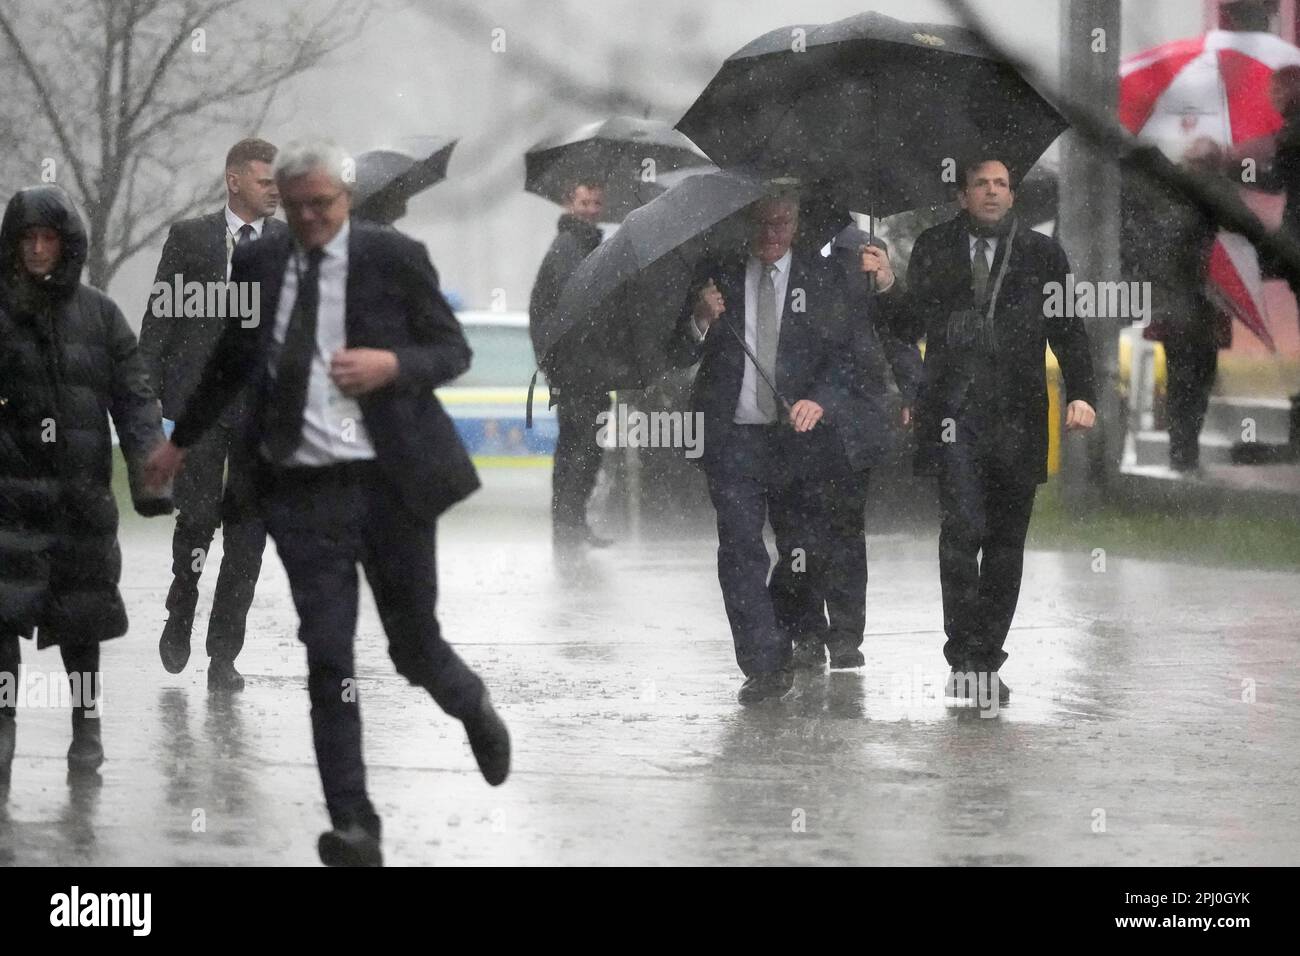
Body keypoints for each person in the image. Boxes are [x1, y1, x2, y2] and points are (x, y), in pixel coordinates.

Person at [143, 141, 509, 866]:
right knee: (328, 660)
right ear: (280, 198)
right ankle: (354, 825)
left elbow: (452, 351)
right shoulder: (258, 264)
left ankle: (472, 706)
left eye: (325, 206)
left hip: (390, 484)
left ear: (346, 202)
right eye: (299, 205)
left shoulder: (392, 258)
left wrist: (393, 364)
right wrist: (178, 440)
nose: (310, 219)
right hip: (304, 489)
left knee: (413, 649)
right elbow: (233, 360)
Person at [902, 158, 1097, 705]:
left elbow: (1068, 328)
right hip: (953, 417)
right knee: (962, 534)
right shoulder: (933, 247)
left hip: (1017, 416)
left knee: (1006, 543)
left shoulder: (1042, 255)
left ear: (1013, 195)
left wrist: (1082, 392)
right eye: (981, 184)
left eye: (1001, 185)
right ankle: (962, 657)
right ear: (962, 194)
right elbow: (906, 324)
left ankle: (988, 657)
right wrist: (887, 284)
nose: (991, 192)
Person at [0, 186, 171, 781]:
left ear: (66, 243)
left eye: (50, 238)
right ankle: (3, 730)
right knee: (0, 623)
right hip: (9, 501)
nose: (39, 249)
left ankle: (86, 726)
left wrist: (150, 473)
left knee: (82, 625)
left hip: (79, 499)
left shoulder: (99, 315)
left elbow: (136, 396)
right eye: (29, 238)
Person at [666, 191, 853, 704]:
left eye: (783, 221)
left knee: (802, 549)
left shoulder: (821, 280)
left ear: (797, 223)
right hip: (733, 438)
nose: (772, 231)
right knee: (741, 549)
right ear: (747, 221)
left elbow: (846, 358)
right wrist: (702, 318)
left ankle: (781, 627)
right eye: (763, 221)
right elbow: (679, 350)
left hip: (796, 439)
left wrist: (818, 399)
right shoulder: (716, 273)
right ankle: (764, 663)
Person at [139, 138, 285, 690]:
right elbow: (159, 319)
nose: (275, 190)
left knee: (247, 539)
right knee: (197, 522)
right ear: (233, 181)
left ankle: (223, 655)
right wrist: (147, 396)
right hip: (200, 408)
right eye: (264, 180)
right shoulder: (191, 238)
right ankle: (181, 609)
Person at [769, 226, 923, 670]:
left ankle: (845, 635)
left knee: (844, 534)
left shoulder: (862, 250)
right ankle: (806, 630)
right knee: (797, 537)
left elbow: (899, 333)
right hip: (792, 420)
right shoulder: (787, 252)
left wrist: (913, 391)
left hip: (851, 427)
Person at [1122, 139, 1234, 473]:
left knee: (1197, 381)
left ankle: (1185, 454)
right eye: (1197, 163)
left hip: (1201, 306)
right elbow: (1173, 249)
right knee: (1186, 383)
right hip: (1183, 308)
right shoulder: (1180, 202)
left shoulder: (1209, 201)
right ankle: (1182, 455)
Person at [529, 179, 612, 551]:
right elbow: (573, 309)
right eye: (585, 201)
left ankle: (572, 523)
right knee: (579, 449)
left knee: (581, 448)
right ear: (569, 203)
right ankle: (569, 525)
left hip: (585, 369)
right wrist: (560, 364)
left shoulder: (583, 246)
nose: (592, 208)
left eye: (596, 202)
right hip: (578, 371)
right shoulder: (569, 249)